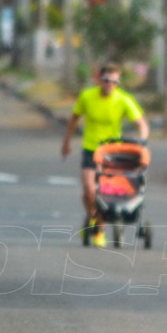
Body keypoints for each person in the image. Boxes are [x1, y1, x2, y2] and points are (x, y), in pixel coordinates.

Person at [60, 63, 149, 248]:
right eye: (107, 80)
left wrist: (142, 140)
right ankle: (93, 217)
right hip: (91, 149)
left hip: (112, 153)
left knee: (106, 193)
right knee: (89, 190)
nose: (110, 85)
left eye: (115, 81)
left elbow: (142, 124)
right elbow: (74, 118)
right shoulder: (87, 96)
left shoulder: (124, 100)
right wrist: (67, 141)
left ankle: (98, 230)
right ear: (100, 79)